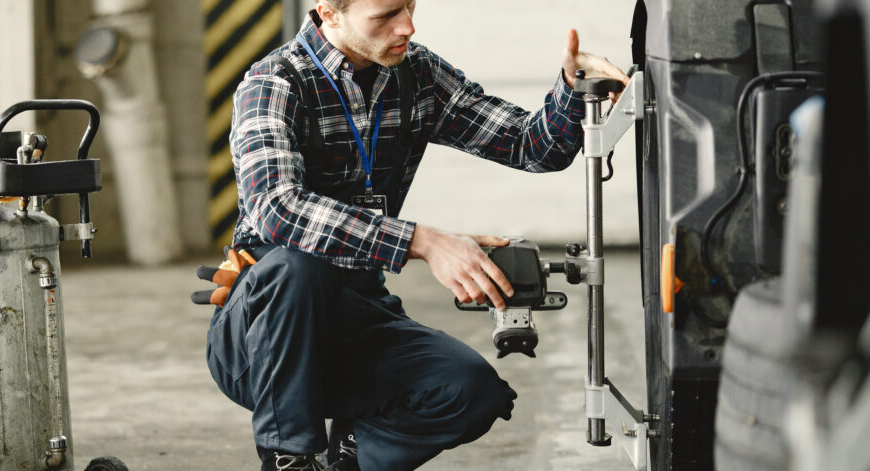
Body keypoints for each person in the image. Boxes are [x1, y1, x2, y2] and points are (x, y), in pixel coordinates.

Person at [203, 1, 629, 470]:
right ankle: (288, 460)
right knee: (295, 266)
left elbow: (530, 145)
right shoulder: (275, 83)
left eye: (409, 6)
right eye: (386, 14)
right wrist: (421, 241)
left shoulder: (417, 74)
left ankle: (348, 459)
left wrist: (572, 88)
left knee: (470, 390)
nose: (407, 25)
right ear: (328, 11)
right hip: (266, 335)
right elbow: (277, 209)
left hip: (358, 311)